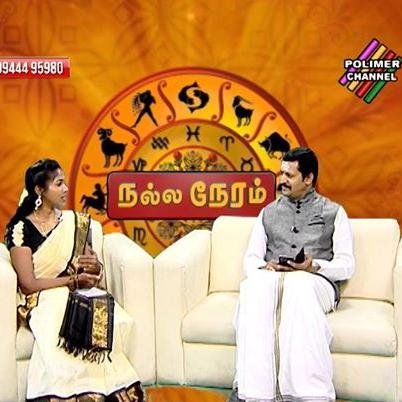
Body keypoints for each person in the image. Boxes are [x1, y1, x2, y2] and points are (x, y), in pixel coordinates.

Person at [5, 159, 144, 402]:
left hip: (75, 289)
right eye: (59, 184)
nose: (66, 189)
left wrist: (95, 268)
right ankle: (71, 394)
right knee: (60, 310)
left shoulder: (75, 224)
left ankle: (109, 390)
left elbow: (90, 268)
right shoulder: (20, 229)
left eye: (65, 183)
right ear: (40, 190)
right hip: (40, 296)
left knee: (108, 311)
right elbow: (28, 284)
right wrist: (72, 281)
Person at [230, 147, 355, 402]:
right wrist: (266, 266)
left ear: (308, 178)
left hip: (315, 282)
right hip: (274, 279)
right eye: (281, 173)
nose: (282, 180)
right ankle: (253, 391)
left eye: (289, 175)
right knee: (252, 289)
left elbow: (347, 264)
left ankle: (309, 393)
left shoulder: (334, 212)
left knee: (299, 289)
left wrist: (313, 266)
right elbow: (251, 259)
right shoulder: (268, 212)